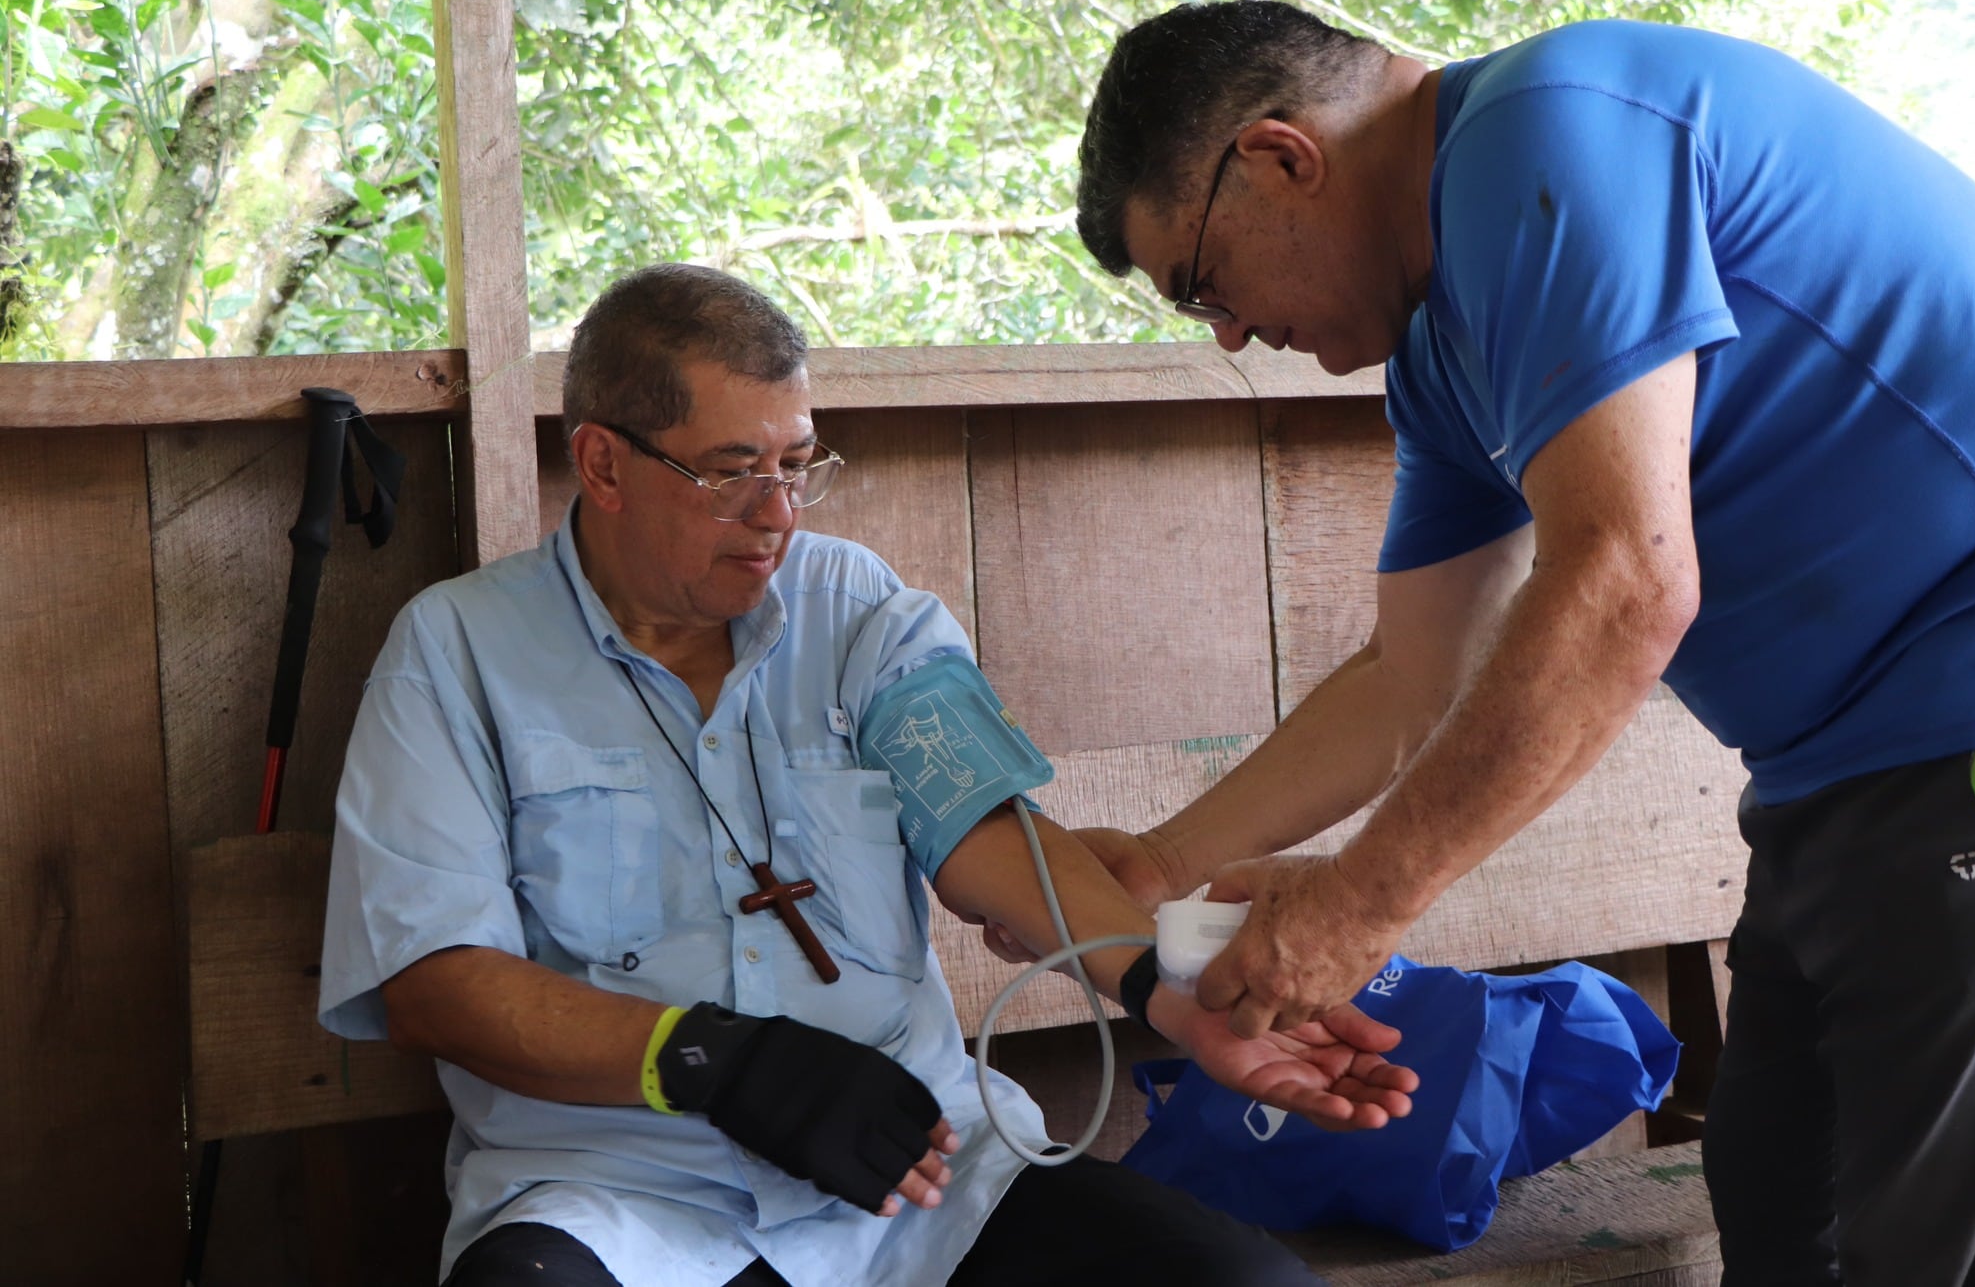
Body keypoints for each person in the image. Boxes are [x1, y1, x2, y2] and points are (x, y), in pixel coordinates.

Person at [1061, 0, 1975, 1286]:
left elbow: (1628, 580)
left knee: (1939, 1254)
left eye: (1202, 283)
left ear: (1279, 158)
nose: (1230, 334)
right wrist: (1164, 859)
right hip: (1831, 784)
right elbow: (1410, 676)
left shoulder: (1550, 132)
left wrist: (1361, 902)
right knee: (1773, 1218)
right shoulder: (1440, 356)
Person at [316, 262, 1417, 1287]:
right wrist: (711, 1060)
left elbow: (985, 831)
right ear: (602, 462)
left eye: (797, 467)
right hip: (617, 1200)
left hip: (928, 1175)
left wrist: (1164, 992)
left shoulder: (859, 616)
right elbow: (431, 980)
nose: (776, 517)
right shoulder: (456, 653)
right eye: (731, 473)